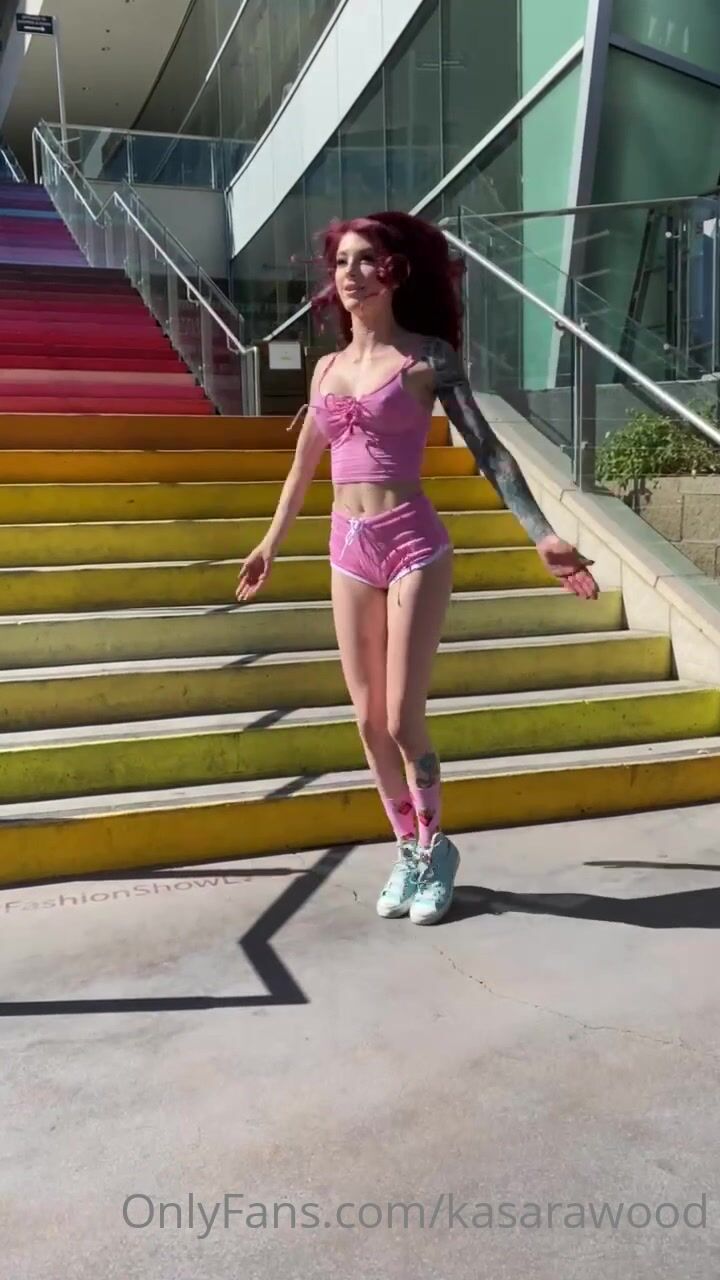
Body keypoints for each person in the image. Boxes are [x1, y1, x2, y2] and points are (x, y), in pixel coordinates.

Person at [236, 211, 599, 926]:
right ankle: (408, 850)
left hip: (412, 545)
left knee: (403, 716)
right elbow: (304, 464)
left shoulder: (428, 359)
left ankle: (436, 849)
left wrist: (542, 534)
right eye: (342, 261)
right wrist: (271, 542)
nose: (351, 273)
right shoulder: (326, 369)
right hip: (347, 546)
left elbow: (489, 451)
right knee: (368, 720)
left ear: (395, 271)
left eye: (367, 259)